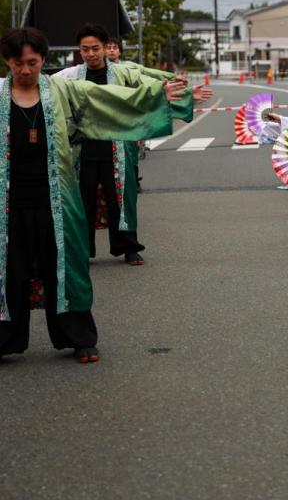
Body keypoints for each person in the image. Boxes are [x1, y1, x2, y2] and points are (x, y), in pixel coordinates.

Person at [0, 27, 183, 363]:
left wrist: (157, 94)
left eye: (32, 62)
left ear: (43, 60)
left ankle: (78, 337)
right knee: (9, 268)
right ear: (8, 62)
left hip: (57, 196)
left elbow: (108, 98)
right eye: (17, 63)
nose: (25, 70)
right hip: (8, 201)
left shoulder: (62, 89)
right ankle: (4, 339)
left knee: (67, 266)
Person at [54, 24, 197, 266]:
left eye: (95, 48)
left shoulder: (122, 73)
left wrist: (186, 94)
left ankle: (129, 247)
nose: (91, 54)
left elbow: (149, 86)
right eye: (85, 49)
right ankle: (82, 251)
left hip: (117, 146)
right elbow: (47, 88)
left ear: (104, 48)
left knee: (121, 198)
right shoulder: (71, 76)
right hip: (83, 148)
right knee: (81, 201)